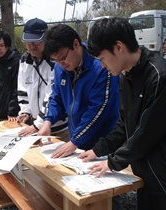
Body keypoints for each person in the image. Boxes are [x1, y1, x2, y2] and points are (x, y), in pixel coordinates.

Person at [78, 17, 166, 210]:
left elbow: (147, 131)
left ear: (118, 47)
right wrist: (98, 150)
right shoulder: (125, 77)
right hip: (144, 171)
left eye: (102, 59)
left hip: (165, 174)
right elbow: (124, 124)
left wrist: (112, 162)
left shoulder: (160, 75)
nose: (102, 66)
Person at [37, 24, 119, 157]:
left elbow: (98, 109)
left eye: (63, 58)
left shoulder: (101, 66)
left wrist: (75, 140)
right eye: (56, 60)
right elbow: (56, 97)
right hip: (78, 141)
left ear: (76, 44)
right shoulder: (60, 68)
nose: (60, 63)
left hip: (103, 143)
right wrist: (48, 121)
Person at [17, 18, 69, 140]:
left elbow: (51, 95)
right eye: (28, 41)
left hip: (58, 126)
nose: (32, 45)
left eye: (36, 41)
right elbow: (23, 89)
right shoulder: (25, 60)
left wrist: (38, 124)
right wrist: (25, 112)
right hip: (34, 125)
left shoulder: (55, 61)